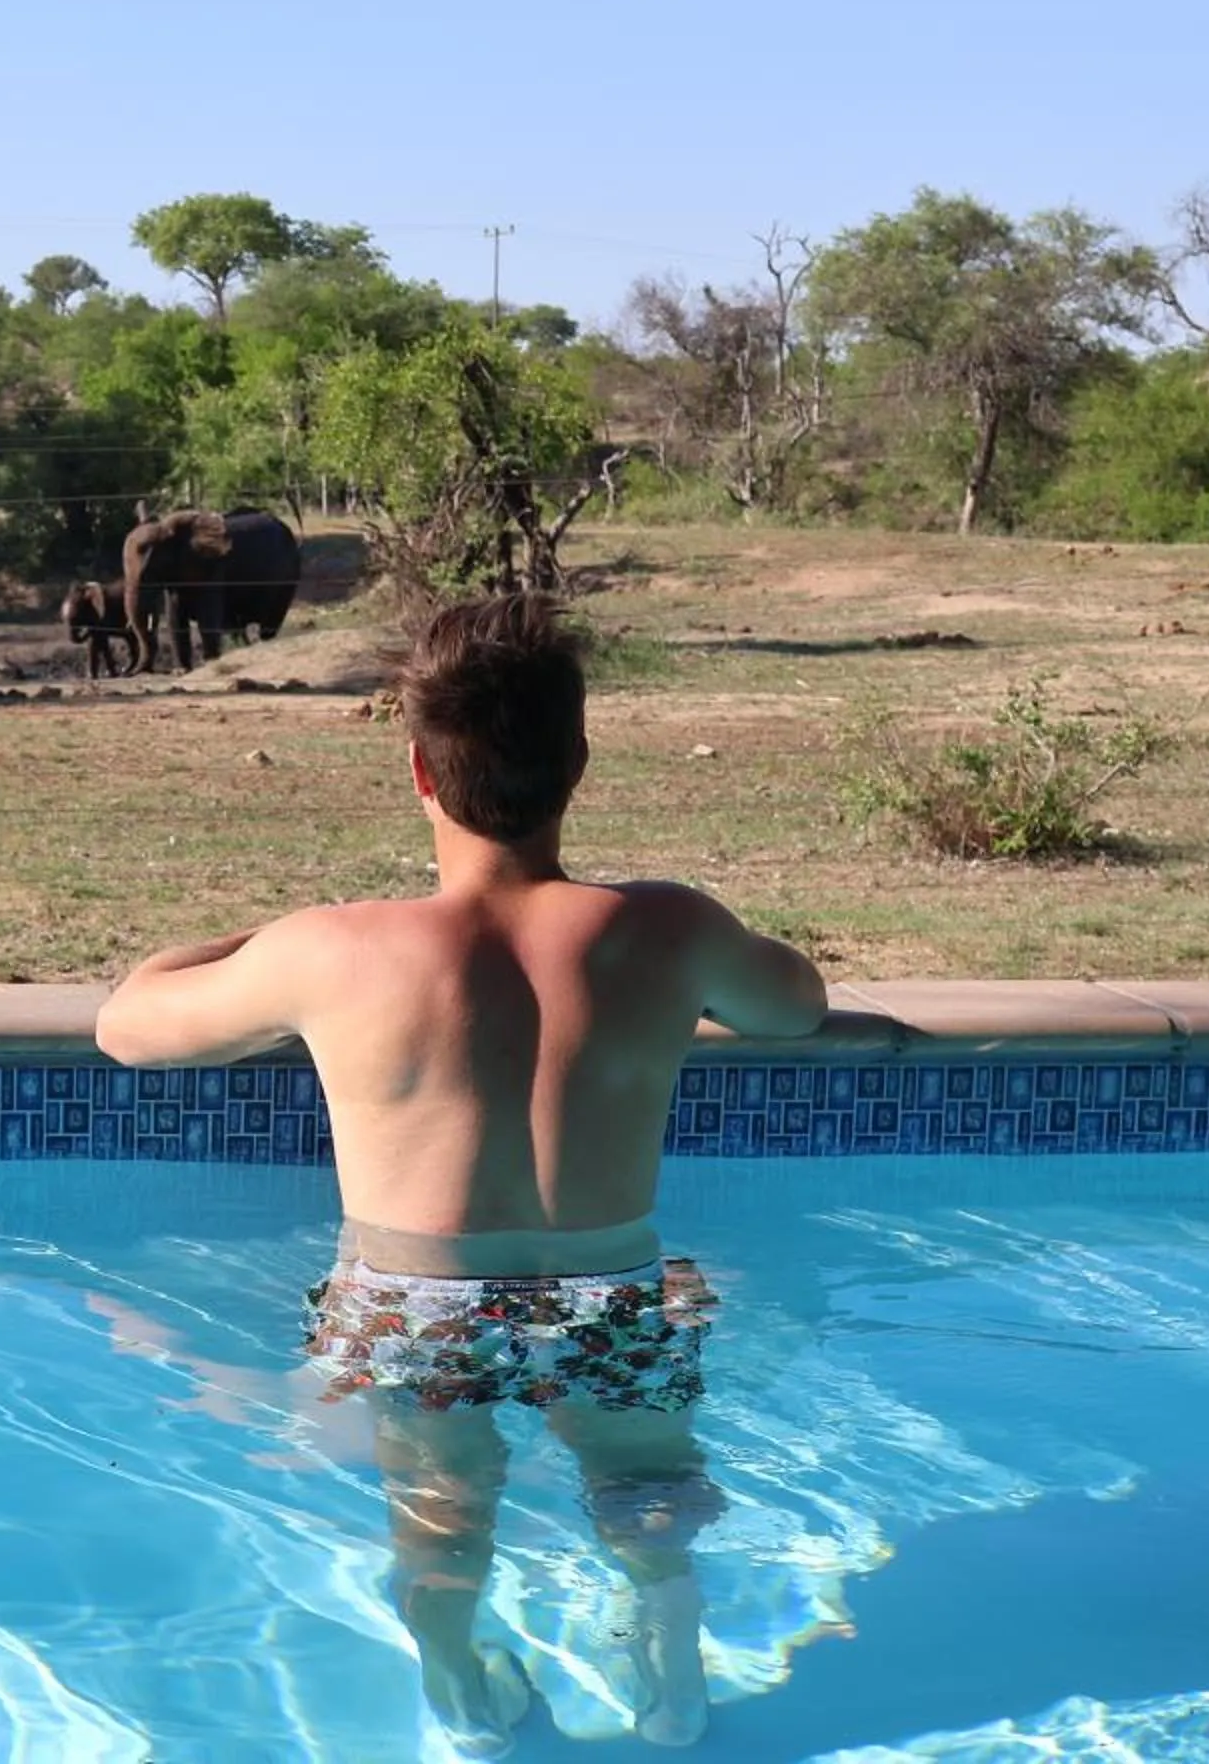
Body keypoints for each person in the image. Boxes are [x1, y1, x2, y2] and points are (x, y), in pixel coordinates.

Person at [95, 592, 828, 1754]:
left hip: (417, 1300)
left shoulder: (334, 947)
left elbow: (128, 1025)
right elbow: (798, 1007)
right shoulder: (670, 930)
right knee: (646, 1484)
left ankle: (456, 1671)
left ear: (420, 775)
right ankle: (672, 1646)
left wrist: (238, 945)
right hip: (609, 1284)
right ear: (579, 762)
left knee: (442, 1512)